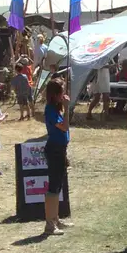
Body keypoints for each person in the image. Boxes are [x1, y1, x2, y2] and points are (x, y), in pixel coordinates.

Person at [42, 78, 69, 236]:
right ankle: (49, 224)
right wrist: (66, 108)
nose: (64, 95)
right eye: (62, 92)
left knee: (58, 186)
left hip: (61, 149)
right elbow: (64, 127)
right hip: (54, 150)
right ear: (55, 94)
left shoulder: (56, 108)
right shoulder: (51, 110)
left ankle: (55, 218)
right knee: (53, 187)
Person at [12, 56, 35, 121]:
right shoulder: (25, 76)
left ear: (16, 70)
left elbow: (13, 87)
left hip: (19, 93)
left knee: (21, 105)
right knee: (27, 104)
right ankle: (29, 115)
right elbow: (27, 84)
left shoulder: (15, 78)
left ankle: (22, 116)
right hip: (25, 92)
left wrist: (15, 91)